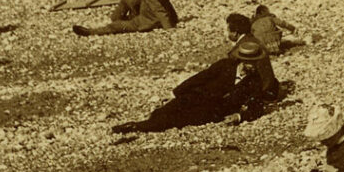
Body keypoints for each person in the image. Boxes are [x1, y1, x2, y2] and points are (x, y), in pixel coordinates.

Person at [112, 41, 270, 133]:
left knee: (176, 120)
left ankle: (135, 126)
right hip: (195, 96)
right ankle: (140, 124)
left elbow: (257, 105)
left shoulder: (255, 81)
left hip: (212, 110)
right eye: (249, 62)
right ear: (242, 60)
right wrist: (176, 92)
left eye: (254, 62)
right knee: (164, 111)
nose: (252, 66)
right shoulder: (225, 65)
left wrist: (239, 116)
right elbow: (200, 78)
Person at [226, 13, 279, 100]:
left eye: (228, 30)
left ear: (235, 32)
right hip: (271, 87)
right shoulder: (254, 40)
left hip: (259, 91)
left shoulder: (242, 48)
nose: (227, 33)